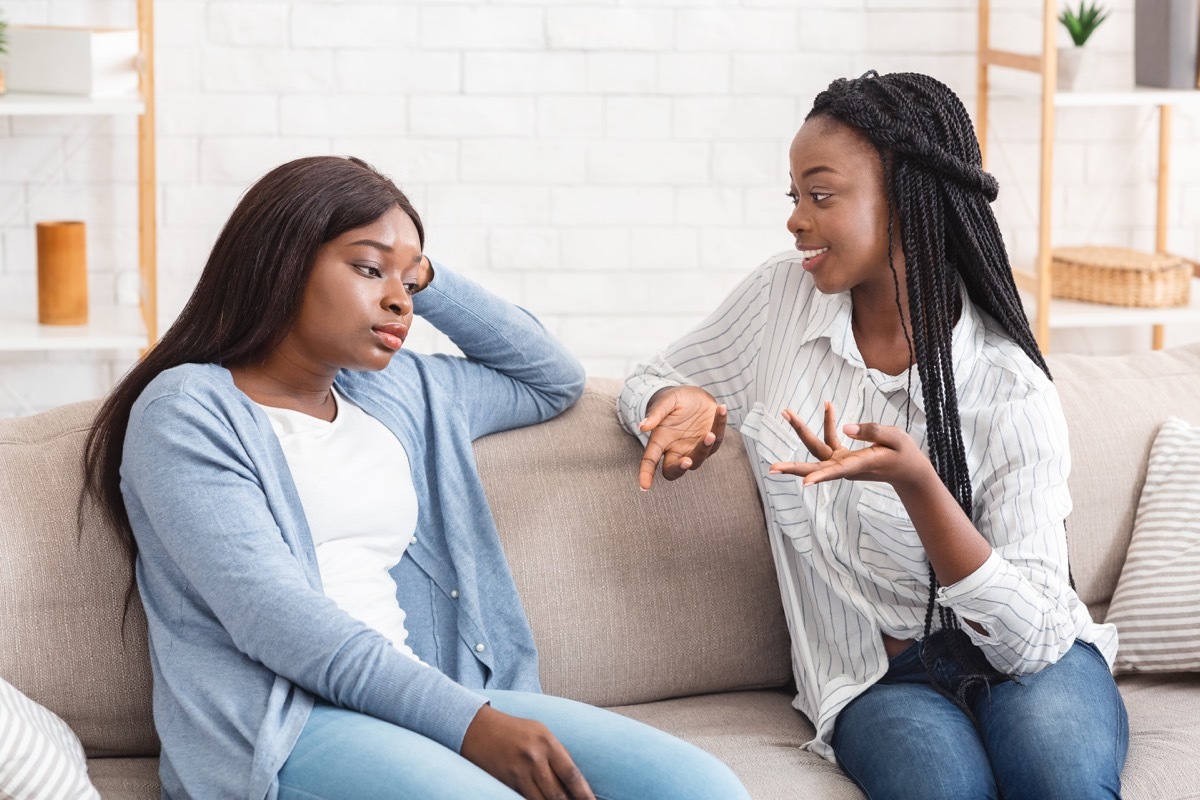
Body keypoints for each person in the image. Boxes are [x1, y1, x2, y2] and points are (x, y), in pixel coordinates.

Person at [84, 156, 750, 800]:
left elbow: (553, 379)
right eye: (370, 268)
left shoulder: (400, 393)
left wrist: (420, 270)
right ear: (283, 259)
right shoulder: (186, 410)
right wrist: (469, 726)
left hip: (431, 699)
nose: (398, 301)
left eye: (410, 282)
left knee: (703, 788)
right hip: (284, 729)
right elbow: (275, 619)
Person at [620, 72, 1127, 800]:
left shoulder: (1008, 384)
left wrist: (920, 485)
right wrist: (682, 399)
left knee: (1062, 785)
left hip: (1031, 664)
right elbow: (651, 376)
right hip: (876, 678)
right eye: (793, 196)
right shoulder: (780, 301)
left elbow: (1032, 641)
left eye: (820, 195)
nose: (796, 220)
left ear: (907, 200)